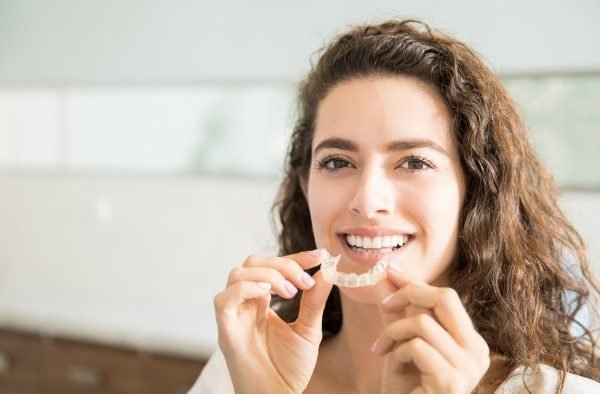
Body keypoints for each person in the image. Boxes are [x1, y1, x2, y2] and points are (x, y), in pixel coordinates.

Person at [190, 19, 600, 393]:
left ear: (476, 193)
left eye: (414, 162)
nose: (367, 201)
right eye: (337, 162)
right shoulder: (237, 373)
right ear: (305, 186)